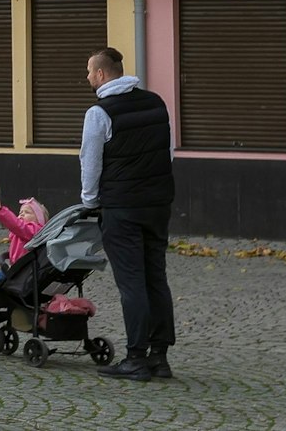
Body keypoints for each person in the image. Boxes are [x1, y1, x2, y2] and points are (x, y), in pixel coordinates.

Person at [81, 45, 176, 381]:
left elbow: (90, 163)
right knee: (156, 277)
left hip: (122, 207)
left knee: (132, 282)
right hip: (158, 204)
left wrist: (90, 201)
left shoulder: (99, 113)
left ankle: (135, 357)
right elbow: (168, 152)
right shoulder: (156, 103)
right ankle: (160, 357)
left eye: (90, 71)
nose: (88, 76)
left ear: (102, 74)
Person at [0, 196, 49, 303]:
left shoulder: (33, 230)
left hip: (24, 271)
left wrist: (0, 210)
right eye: (20, 212)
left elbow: (15, 224)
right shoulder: (24, 232)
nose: (21, 214)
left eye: (27, 212)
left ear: (39, 218)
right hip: (20, 268)